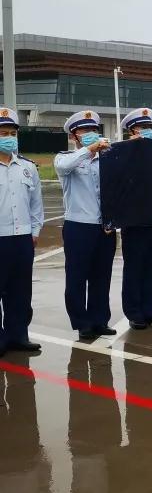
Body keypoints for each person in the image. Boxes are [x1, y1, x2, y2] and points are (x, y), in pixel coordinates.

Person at [55, 110, 117, 341]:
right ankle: (82, 322)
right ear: (74, 136)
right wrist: (89, 149)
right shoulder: (65, 158)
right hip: (79, 226)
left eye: (93, 130)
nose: (91, 134)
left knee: (102, 276)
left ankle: (100, 320)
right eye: (85, 131)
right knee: (77, 277)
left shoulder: (107, 160)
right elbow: (63, 168)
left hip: (105, 227)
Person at [118, 108, 152, 329]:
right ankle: (134, 312)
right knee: (135, 268)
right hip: (135, 223)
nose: (148, 132)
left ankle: (151, 309)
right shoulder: (121, 154)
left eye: (150, 128)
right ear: (132, 131)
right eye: (143, 128)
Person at [0, 106, 43, 355]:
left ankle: (18, 336)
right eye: (3, 132)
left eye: (12, 133)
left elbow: (36, 203)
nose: (8, 137)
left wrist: (35, 230)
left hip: (22, 239)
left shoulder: (28, 167)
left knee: (20, 291)